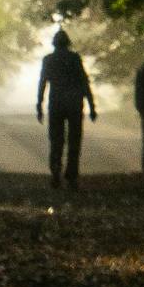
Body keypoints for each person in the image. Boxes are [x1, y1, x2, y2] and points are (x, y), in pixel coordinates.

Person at [36, 28, 97, 189]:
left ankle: (56, 172)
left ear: (54, 43)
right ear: (68, 43)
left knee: (56, 140)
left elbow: (43, 82)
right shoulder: (74, 58)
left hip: (56, 104)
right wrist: (91, 105)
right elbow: (84, 82)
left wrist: (39, 105)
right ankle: (71, 176)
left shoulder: (48, 60)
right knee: (74, 140)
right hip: (74, 104)